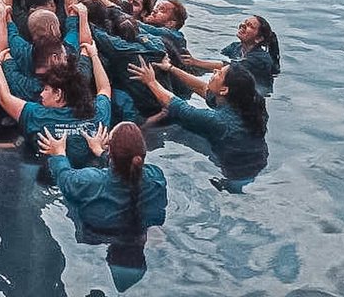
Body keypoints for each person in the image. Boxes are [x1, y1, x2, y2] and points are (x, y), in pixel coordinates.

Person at [128, 58, 268, 190]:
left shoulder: (219, 121)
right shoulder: (246, 103)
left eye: (219, 73)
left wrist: (151, 81)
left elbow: (180, 108)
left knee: (174, 129)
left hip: (238, 177)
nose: (215, 71)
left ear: (224, 90)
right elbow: (203, 89)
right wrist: (171, 68)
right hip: (255, 161)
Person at [0, 39, 112, 168]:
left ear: (58, 94)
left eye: (46, 89)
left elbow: (4, 98)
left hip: (50, 180)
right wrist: (94, 55)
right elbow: (104, 88)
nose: (42, 94)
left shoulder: (37, 116)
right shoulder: (98, 115)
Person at [39, 120, 167, 236]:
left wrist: (59, 153)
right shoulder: (156, 177)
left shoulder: (87, 181)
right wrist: (100, 151)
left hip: (94, 237)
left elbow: (64, 179)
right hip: (137, 232)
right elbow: (127, 165)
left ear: (111, 151)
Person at [183, 15, 281, 95]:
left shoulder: (261, 58)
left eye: (250, 26)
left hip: (257, 92)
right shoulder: (235, 47)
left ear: (258, 39)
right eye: (245, 22)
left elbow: (229, 67)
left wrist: (195, 62)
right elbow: (216, 61)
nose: (243, 25)